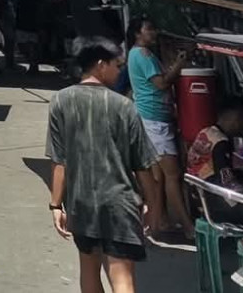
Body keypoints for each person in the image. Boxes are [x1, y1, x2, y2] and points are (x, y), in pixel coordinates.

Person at [47, 41, 162, 293]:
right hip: (119, 204)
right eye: (117, 65)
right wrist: (153, 205)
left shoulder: (60, 101)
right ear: (101, 65)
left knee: (89, 271)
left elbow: (59, 160)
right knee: (122, 278)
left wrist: (56, 205)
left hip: (81, 203)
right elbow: (142, 166)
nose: (120, 71)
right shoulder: (124, 106)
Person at [125, 18, 193, 242]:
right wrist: (180, 64)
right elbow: (161, 83)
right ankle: (187, 227)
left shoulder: (139, 54)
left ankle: (160, 223)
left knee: (160, 177)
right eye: (149, 29)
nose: (153, 33)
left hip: (152, 118)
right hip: (154, 121)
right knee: (173, 175)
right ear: (137, 33)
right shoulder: (143, 55)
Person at [183, 98, 243, 187]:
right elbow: (226, 180)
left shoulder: (206, 131)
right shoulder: (221, 143)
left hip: (194, 184)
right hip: (209, 188)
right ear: (237, 119)